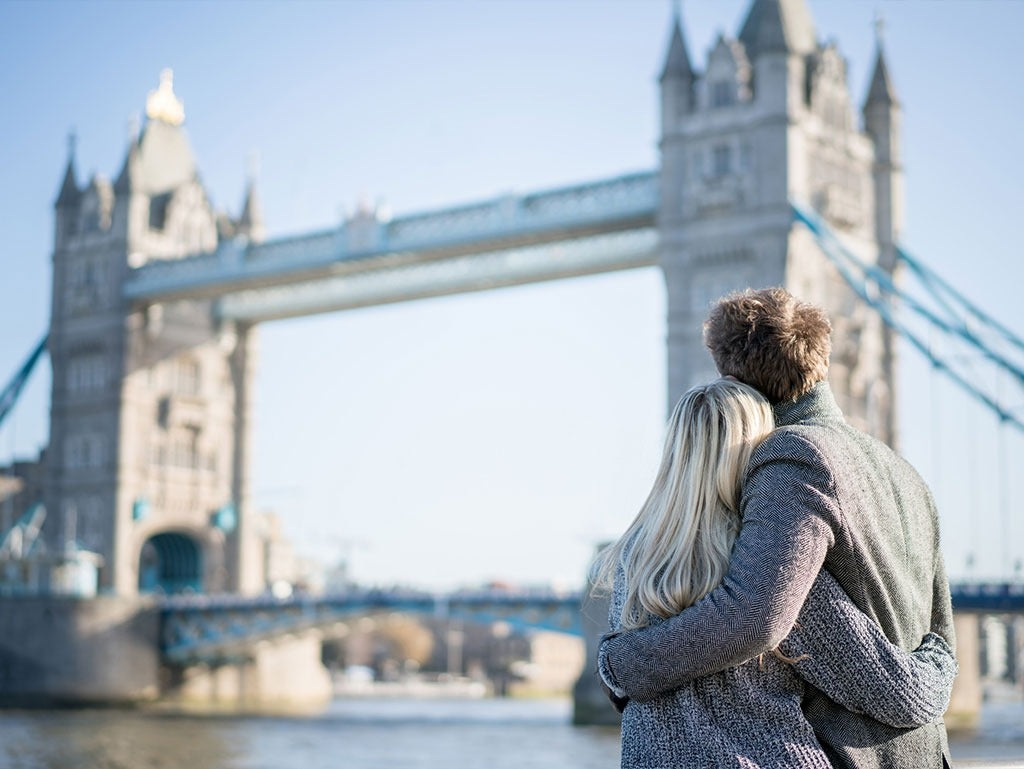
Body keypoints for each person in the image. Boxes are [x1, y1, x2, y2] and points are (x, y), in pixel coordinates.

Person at [598, 288, 956, 769]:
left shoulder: (790, 457)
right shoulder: (907, 474)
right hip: (922, 752)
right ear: (823, 358)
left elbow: (755, 617)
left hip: (853, 753)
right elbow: (940, 634)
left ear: (733, 377)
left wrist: (618, 666)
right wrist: (938, 671)